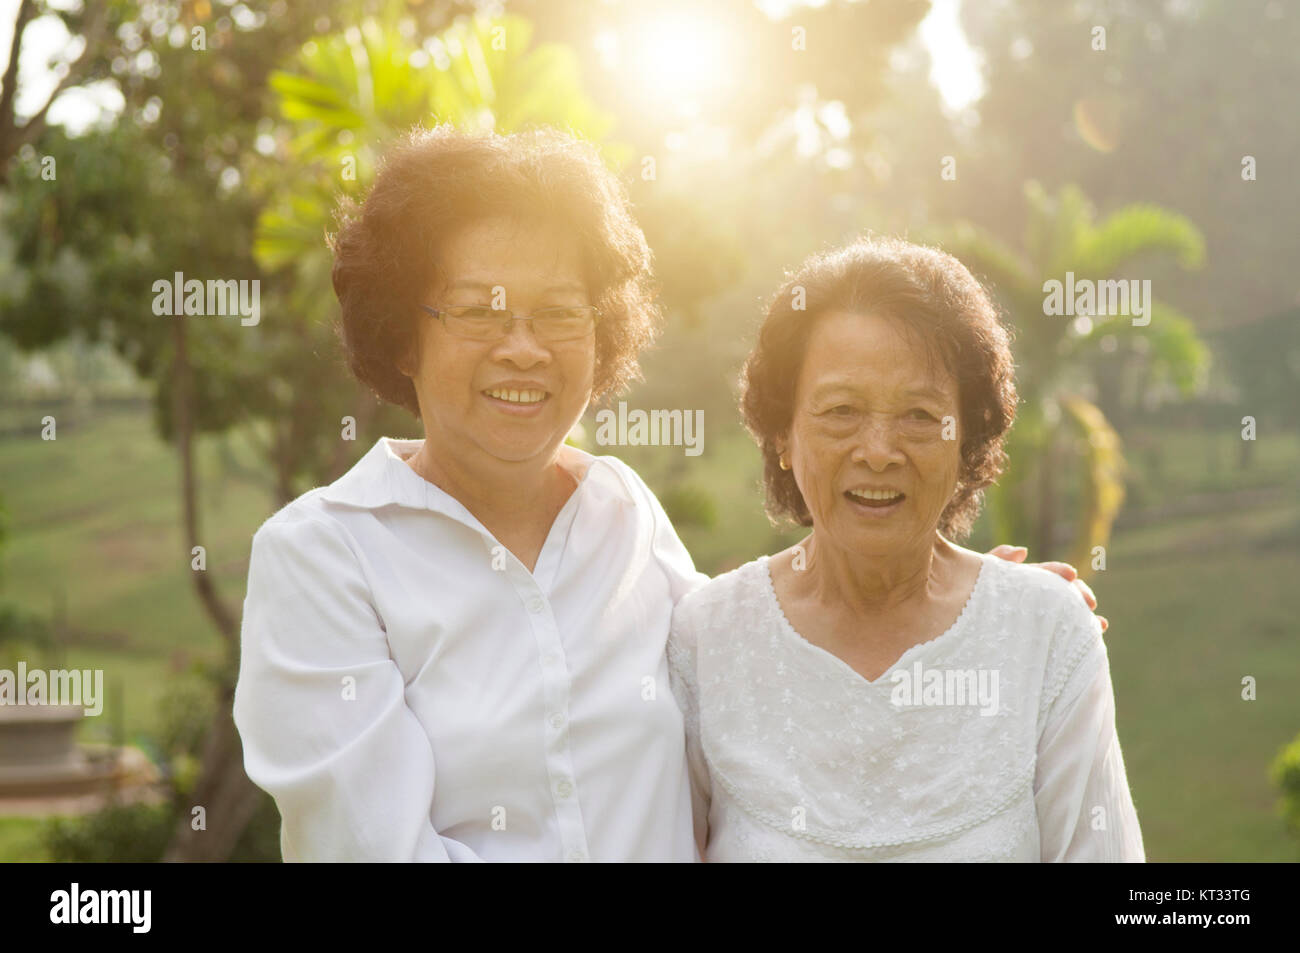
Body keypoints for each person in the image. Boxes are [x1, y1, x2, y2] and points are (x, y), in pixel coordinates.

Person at [233, 126, 1103, 862]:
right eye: (480, 311)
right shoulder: (324, 557)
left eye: (560, 312)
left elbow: (760, 650)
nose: (525, 348)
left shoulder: (621, 512)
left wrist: (967, 602)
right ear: (401, 331)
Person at [668, 236, 1144, 861]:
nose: (878, 450)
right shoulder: (708, 637)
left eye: (920, 416)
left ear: (966, 438)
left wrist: (1008, 610)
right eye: (841, 410)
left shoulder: (1048, 633)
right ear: (783, 435)